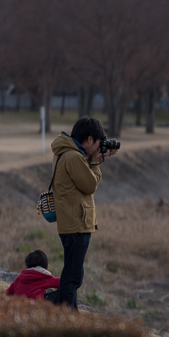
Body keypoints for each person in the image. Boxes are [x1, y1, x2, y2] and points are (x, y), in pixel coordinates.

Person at [49, 117, 118, 309]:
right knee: (72, 276)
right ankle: (67, 314)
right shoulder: (72, 157)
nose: (98, 147)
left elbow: (80, 172)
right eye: (97, 143)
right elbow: (89, 185)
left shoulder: (69, 153)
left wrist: (94, 158)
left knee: (74, 274)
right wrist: (96, 163)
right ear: (89, 139)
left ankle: (54, 305)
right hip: (76, 224)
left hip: (73, 222)